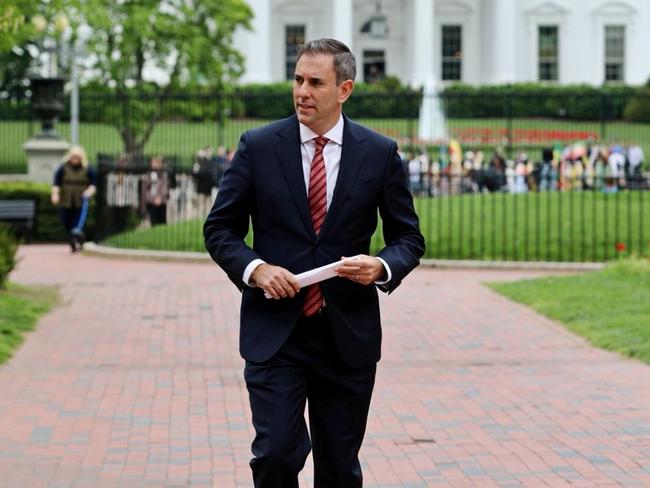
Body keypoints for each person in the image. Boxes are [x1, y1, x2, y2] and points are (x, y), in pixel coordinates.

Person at [203, 38, 425, 487]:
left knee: (340, 468)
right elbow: (220, 229)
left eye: (315, 82)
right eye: (298, 79)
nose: (302, 91)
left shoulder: (379, 153)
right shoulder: (258, 146)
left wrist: (381, 267)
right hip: (276, 334)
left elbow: (408, 238)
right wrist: (256, 270)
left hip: (347, 335)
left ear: (344, 89)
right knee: (276, 455)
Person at [51, 145, 96, 252]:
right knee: (66, 221)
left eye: (77, 157)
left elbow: (93, 183)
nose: (75, 160)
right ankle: (74, 238)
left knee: (77, 223)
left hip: (81, 200)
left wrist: (89, 192)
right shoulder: (63, 167)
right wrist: (55, 194)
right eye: (73, 157)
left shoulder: (88, 168)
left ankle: (76, 238)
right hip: (66, 199)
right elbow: (56, 182)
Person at [142, 155, 169, 226]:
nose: (154, 165)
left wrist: (159, 197)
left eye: (156, 163)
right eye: (153, 163)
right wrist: (153, 199)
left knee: (162, 222)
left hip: (161, 201)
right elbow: (145, 190)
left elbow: (165, 187)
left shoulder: (163, 174)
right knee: (153, 222)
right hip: (151, 201)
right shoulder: (148, 175)